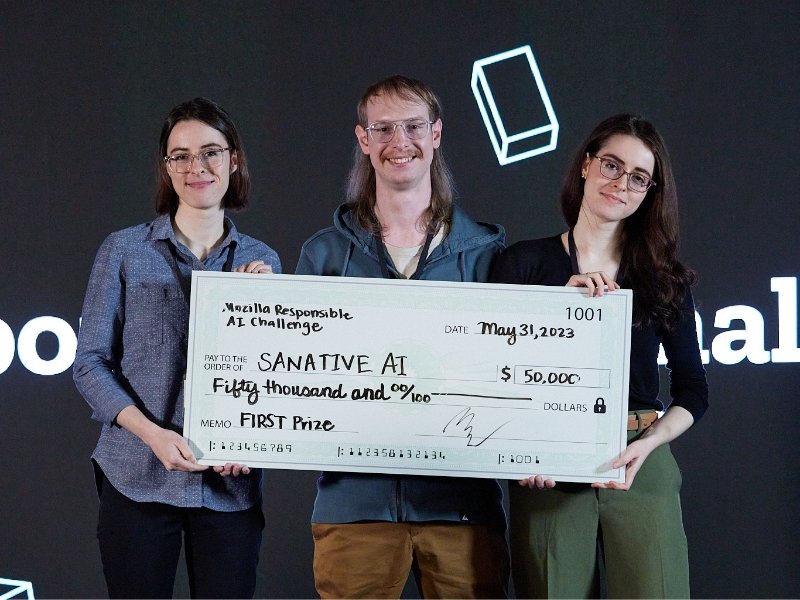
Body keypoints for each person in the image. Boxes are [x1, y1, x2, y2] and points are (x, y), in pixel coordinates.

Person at [295, 75, 509, 599]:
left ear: (436, 134)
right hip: (354, 507)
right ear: (363, 141)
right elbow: (293, 370)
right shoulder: (323, 256)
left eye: (413, 126)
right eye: (383, 129)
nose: (400, 142)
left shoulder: (487, 253)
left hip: (462, 507)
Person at [490, 113, 709, 598]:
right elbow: (493, 373)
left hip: (637, 457)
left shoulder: (661, 275)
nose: (621, 184)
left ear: (649, 192)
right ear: (587, 165)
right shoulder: (523, 264)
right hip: (546, 465)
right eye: (612, 165)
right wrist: (520, 451)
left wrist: (649, 444)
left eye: (638, 178)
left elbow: (694, 389)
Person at [73, 97, 281, 599]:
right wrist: (152, 434)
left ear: (234, 160)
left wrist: (248, 443)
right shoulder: (124, 250)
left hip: (228, 488)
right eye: (180, 156)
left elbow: (277, 378)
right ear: (167, 168)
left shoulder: (263, 261)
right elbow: (89, 365)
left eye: (211, 152)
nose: (197, 167)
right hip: (136, 476)